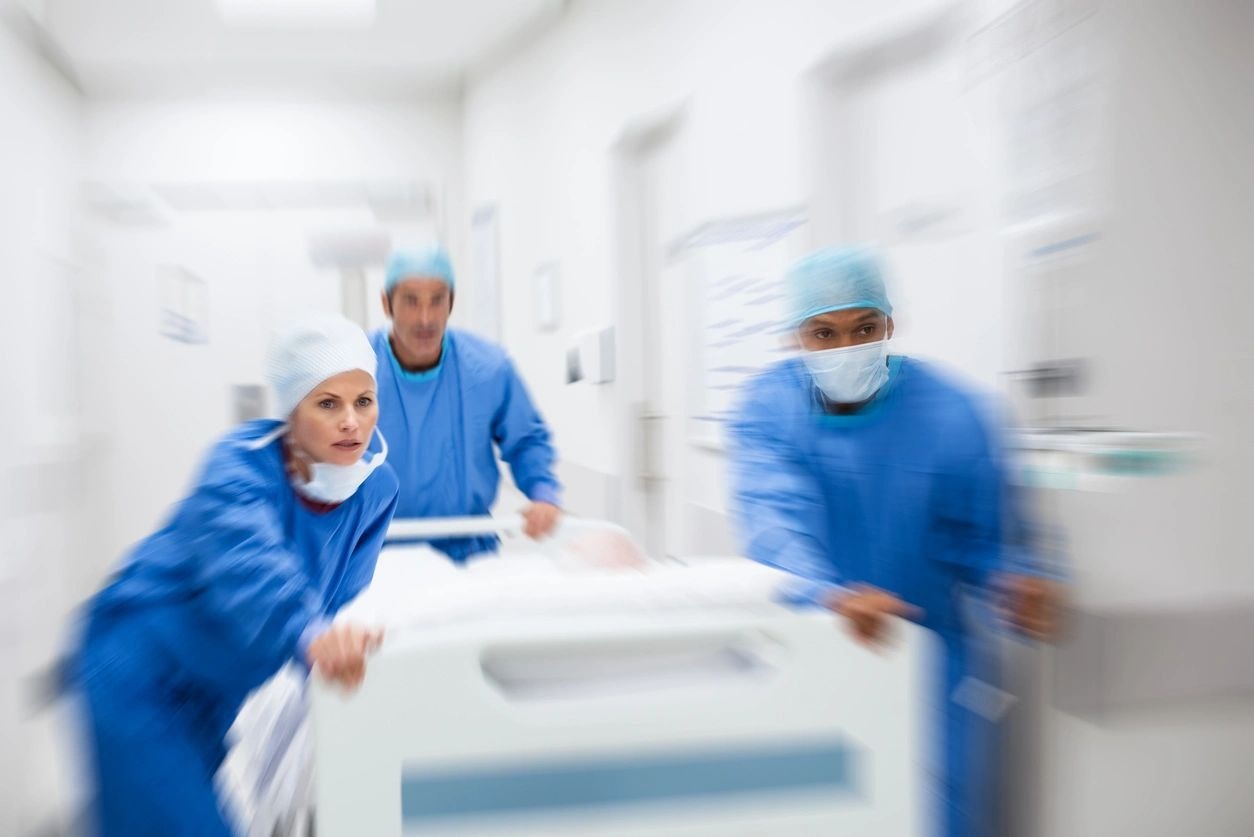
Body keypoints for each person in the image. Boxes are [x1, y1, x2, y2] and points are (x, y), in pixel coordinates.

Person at [727, 246, 1062, 837]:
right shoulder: (768, 408)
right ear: (794, 339)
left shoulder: (955, 412)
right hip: (815, 648)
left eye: (864, 328)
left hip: (933, 662)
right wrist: (827, 594)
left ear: (890, 323)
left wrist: (1018, 581)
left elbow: (991, 535)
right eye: (822, 333)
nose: (845, 348)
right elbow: (774, 519)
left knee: (939, 813)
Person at [71, 314, 399, 836]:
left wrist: (342, 644)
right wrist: (311, 635)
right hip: (140, 670)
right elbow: (253, 569)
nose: (352, 422)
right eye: (328, 404)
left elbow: (338, 599)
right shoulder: (238, 466)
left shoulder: (375, 490)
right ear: (292, 413)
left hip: (219, 688)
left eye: (364, 401)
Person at [372, 244, 562, 561]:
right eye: (410, 301)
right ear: (386, 303)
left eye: (437, 300)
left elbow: (526, 439)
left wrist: (543, 492)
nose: (425, 318)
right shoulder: (353, 370)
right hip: (376, 557)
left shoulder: (488, 369)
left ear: (452, 302)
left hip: (469, 556)